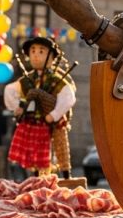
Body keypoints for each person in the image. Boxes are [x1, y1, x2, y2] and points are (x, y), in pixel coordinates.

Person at [4, 37, 76, 177]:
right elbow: (10, 90)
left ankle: (66, 174)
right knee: (35, 148)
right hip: (35, 119)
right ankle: (37, 175)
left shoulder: (55, 79)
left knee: (61, 147)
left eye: (41, 52)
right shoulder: (27, 80)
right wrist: (17, 107)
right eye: (33, 51)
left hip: (54, 120)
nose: (36, 55)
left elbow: (68, 97)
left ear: (52, 57)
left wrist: (54, 115)